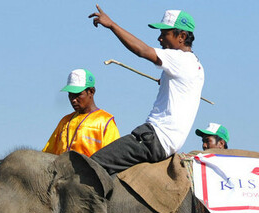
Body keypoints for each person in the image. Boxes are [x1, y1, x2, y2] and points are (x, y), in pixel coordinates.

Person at [88, 7, 205, 175]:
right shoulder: (196, 66)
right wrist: (165, 82)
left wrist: (112, 25)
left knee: (91, 166)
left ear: (182, 37)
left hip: (154, 138)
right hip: (166, 143)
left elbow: (142, 50)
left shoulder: (180, 59)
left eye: (165, 33)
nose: (159, 38)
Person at [43, 69, 120, 157]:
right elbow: (47, 154)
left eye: (78, 94)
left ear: (91, 92)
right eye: (70, 94)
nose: (73, 99)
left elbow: (115, 158)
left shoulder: (105, 121)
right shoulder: (65, 121)